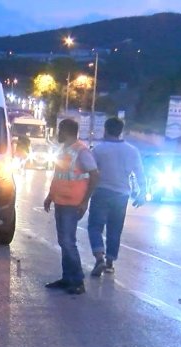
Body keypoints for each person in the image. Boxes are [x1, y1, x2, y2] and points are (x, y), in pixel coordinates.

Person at [43, 118, 99, 295]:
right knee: (63, 241)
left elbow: (95, 176)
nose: (57, 133)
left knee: (68, 242)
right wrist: (50, 197)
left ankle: (77, 281)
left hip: (72, 204)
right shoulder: (64, 150)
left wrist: (85, 201)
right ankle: (67, 278)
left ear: (66, 132)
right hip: (60, 201)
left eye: (59, 130)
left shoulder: (82, 152)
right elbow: (58, 175)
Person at [87, 117, 143, 277]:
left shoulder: (98, 150)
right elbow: (140, 173)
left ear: (105, 129)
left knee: (95, 226)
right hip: (121, 195)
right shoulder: (132, 150)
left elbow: (91, 173)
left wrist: (85, 195)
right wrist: (142, 193)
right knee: (115, 229)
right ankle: (110, 263)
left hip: (101, 192)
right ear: (121, 131)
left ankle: (99, 257)